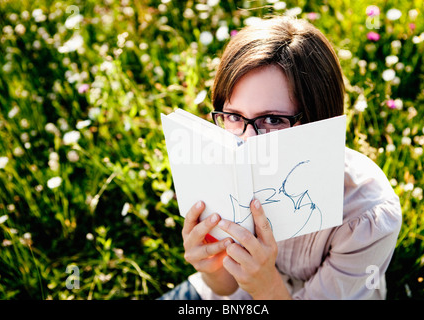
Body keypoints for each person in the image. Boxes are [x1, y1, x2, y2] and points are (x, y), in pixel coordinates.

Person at [159, 16, 402, 300]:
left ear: (319, 121)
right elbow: (225, 289)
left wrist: (266, 286)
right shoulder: (226, 175)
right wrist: (212, 268)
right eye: (234, 116)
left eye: (273, 119)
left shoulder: (366, 216)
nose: (247, 141)